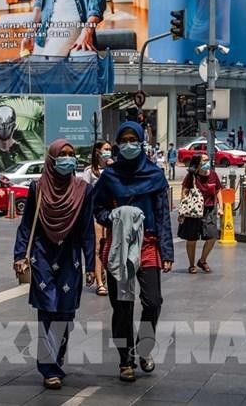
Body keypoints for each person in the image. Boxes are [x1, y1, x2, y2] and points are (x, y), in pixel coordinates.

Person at [93, 121, 173, 382]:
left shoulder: (155, 175)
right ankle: (125, 359)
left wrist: (167, 251)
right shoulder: (109, 177)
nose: (129, 144)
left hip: (148, 244)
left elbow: (162, 215)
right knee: (122, 306)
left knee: (153, 300)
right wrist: (112, 216)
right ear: (118, 143)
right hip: (119, 246)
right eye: (124, 140)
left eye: (133, 139)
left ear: (141, 142)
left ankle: (145, 347)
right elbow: (98, 209)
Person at [14, 139, 95, 390]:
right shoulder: (38, 188)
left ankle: (56, 357)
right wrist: (19, 255)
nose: (67, 159)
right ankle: (48, 367)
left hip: (69, 256)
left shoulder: (84, 190)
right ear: (51, 159)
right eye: (63, 155)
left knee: (65, 312)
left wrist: (91, 264)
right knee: (47, 309)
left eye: (71, 154)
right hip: (42, 256)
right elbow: (27, 224)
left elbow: (86, 231)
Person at [177, 154, 223, 274]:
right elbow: (184, 190)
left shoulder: (213, 174)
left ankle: (202, 260)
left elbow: (218, 190)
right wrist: (184, 207)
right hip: (193, 211)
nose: (207, 162)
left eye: (208, 160)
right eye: (204, 160)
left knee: (212, 236)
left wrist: (221, 207)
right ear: (197, 163)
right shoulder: (191, 176)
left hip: (209, 210)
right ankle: (191, 265)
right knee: (192, 238)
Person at [21, 0, 106, 57]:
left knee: (45, 68)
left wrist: (87, 31)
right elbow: (40, 1)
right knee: (33, 67)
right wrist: (30, 31)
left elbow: (97, 3)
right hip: (46, 26)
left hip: (73, 22)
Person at [82, 140, 113, 296]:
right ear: (97, 152)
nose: (109, 152)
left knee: (112, 246)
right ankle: (100, 282)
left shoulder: (114, 168)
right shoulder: (90, 172)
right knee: (98, 248)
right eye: (106, 149)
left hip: (113, 214)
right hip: (96, 215)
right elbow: (84, 194)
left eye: (110, 149)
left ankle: (108, 276)